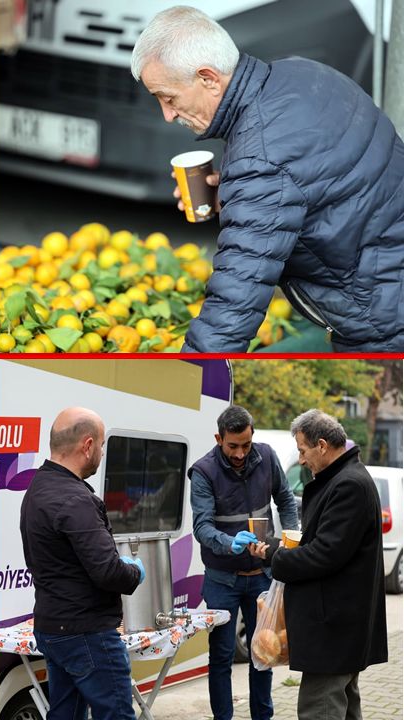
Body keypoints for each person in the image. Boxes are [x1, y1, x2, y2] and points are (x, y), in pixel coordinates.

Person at [130, 6, 404, 352]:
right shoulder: (300, 72)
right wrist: (234, 197)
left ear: (209, 78)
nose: (167, 115)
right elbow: (319, 182)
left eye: (169, 98)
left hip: (385, 319)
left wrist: (188, 380)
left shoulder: (258, 159)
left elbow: (236, 300)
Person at [250, 410, 387, 720]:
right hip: (340, 628)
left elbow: (324, 555)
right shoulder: (344, 478)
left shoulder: (348, 484)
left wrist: (274, 555)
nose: (301, 460)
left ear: (322, 445)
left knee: (319, 709)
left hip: (335, 628)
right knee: (345, 707)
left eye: (302, 450)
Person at [20, 407, 145, 720]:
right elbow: (108, 571)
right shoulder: (76, 499)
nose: (101, 453)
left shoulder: (37, 488)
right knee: (116, 713)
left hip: (53, 627)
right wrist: (134, 572)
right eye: (101, 445)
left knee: (66, 713)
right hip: (86, 631)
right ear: (87, 446)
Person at [189, 405, 299, 720]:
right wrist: (229, 542)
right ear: (218, 438)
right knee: (221, 657)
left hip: (263, 576)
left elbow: (286, 498)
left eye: (245, 445)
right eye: (232, 446)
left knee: (263, 654)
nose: (240, 453)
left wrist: (290, 535)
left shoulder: (266, 457)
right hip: (222, 580)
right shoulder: (203, 471)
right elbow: (202, 527)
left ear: (253, 437)